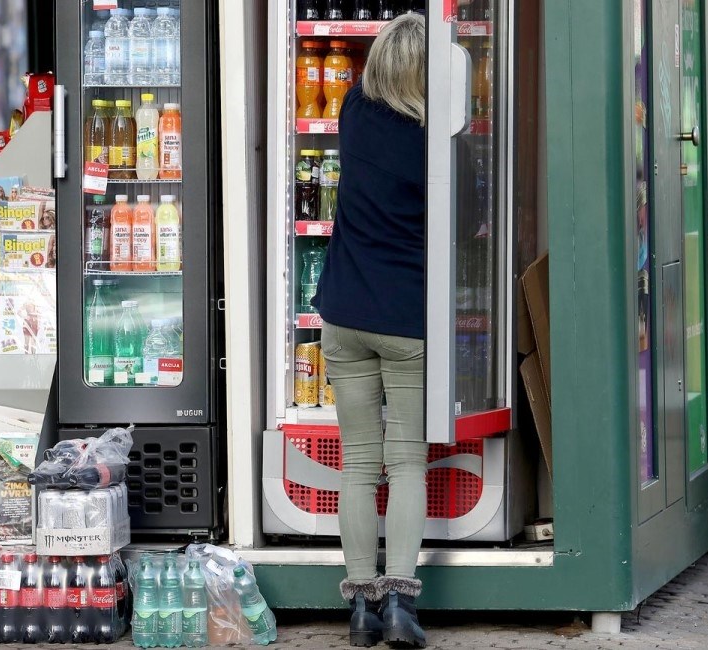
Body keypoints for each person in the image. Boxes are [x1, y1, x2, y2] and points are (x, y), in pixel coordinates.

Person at [311, 13, 428, 649]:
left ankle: (360, 608)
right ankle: (401, 606)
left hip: (344, 312)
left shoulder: (353, 111)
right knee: (405, 463)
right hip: (407, 318)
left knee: (357, 464)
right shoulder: (432, 139)